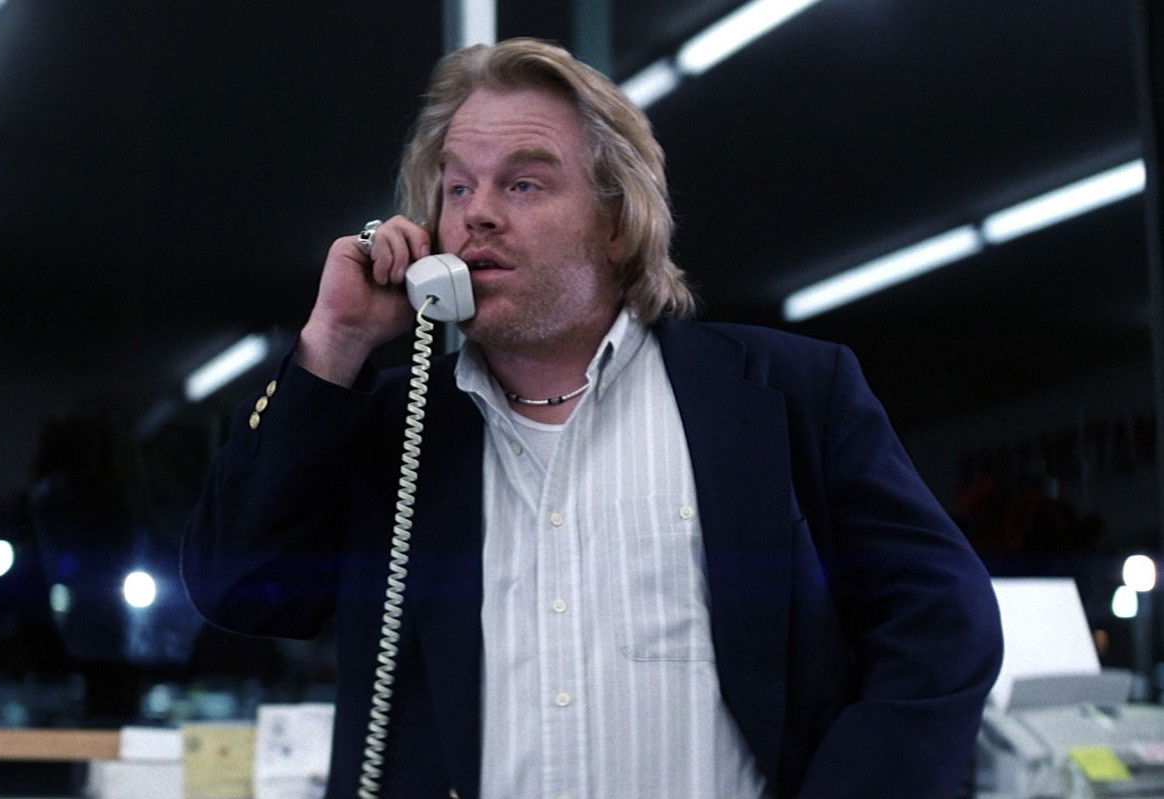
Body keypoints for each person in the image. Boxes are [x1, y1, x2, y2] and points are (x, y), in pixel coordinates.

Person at [182, 38, 1003, 799]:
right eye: (458, 186)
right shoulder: (397, 432)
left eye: (523, 184)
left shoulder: (790, 394)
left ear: (617, 221)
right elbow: (240, 590)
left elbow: (943, 625)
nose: (476, 214)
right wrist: (336, 341)